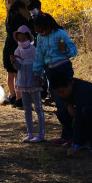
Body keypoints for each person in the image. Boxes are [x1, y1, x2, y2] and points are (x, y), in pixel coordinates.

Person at [32, 13, 78, 144]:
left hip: (63, 68)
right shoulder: (40, 38)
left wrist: (64, 50)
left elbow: (74, 51)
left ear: (48, 26)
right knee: (59, 104)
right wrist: (37, 73)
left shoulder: (60, 33)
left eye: (41, 30)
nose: (40, 33)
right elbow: (39, 56)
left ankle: (73, 135)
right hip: (50, 71)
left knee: (68, 102)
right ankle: (65, 134)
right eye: (37, 31)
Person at [48, 69, 92, 156]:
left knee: (86, 112)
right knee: (62, 112)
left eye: (62, 92)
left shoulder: (82, 90)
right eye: (58, 93)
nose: (61, 95)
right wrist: (68, 105)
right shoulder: (68, 89)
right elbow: (68, 106)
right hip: (87, 111)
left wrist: (75, 145)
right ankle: (83, 142)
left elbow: (78, 118)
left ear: (69, 84)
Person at [11, 25, 45, 142]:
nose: (21, 41)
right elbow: (18, 67)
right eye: (19, 39)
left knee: (38, 108)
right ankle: (30, 133)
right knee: (27, 109)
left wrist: (39, 77)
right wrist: (14, 61)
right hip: (22, 84)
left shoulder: (34, 50)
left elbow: (39, 65)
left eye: (23, 38)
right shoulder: (17, 50)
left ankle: (41, 134)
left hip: (34, 83)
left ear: (28, 38)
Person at [3, 0, 29, 106]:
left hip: (8, 45)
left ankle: (12, 95)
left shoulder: (8, 18)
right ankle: (19, 98)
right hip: (16, 46)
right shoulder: (20, 19)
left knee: (10, 72)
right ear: (20, 8)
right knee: (17, 73)